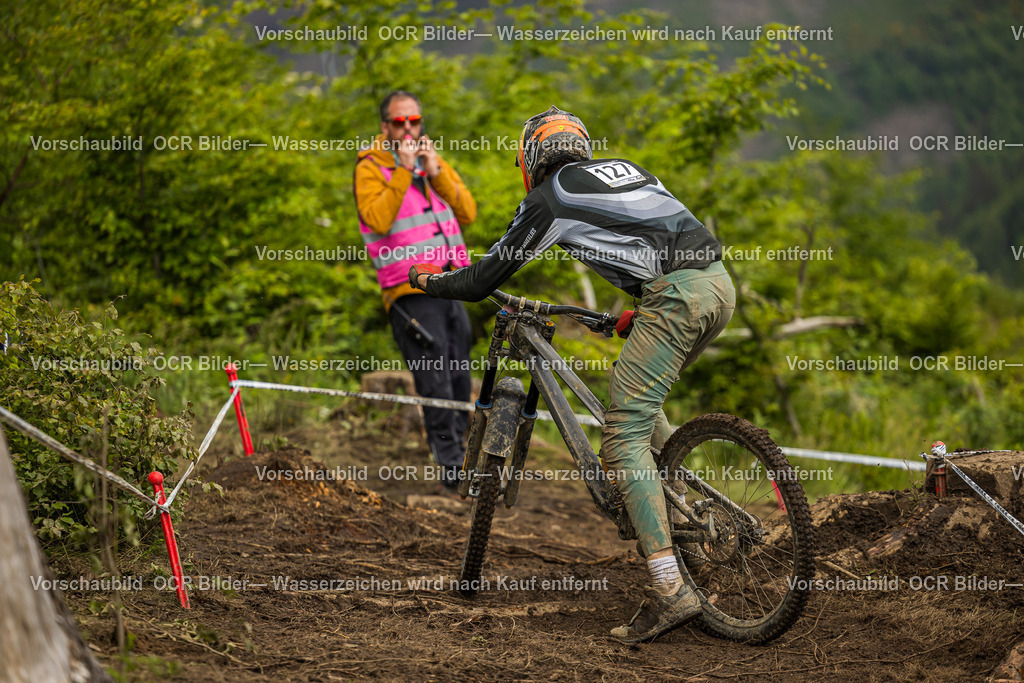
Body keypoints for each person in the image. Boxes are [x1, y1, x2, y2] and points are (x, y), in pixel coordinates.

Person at [409, 106, 736, 642]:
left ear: (531, 156)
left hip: (676, 296)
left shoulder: (549, 197)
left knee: (623, 433)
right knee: (640, 408)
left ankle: (670, 590)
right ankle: (682, 517)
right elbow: (656, 239)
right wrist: (641, 307)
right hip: (716, 286)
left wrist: (427, 280)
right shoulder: (627, 169)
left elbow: (481, 280)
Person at [354, 90, 477, 493]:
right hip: (409, 292)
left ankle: (463, 459)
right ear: (385, 126)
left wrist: (435, 169)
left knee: (460, 376)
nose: (408, 128)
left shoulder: (430, 163)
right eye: (399, 121)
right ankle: (451, 468)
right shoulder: (371, 167)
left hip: (452, 282)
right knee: (434, 379)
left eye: (414, 120)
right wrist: (404, 171)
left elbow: (468, 212)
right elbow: (377, 218)